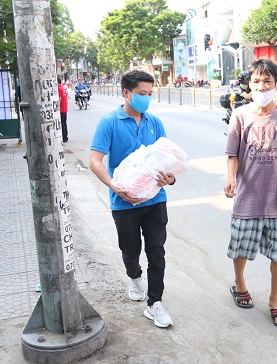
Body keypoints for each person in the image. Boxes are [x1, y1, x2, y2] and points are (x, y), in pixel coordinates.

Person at [89, 70, 176, 329]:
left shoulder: (155, 123)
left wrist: (169, 179)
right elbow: (95, 161)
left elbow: (166, 161)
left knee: (157, 252)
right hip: (124, 201)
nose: (146, 99)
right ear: (126, 93)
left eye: (150, 94)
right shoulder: (109, 122)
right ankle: (134, 276)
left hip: (155, 200)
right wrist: (114, 186)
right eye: (141, 94)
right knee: (130, 250)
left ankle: (155, 303)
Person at [224, 58, 277, 327]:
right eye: (256, 81)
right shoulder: (240, 115)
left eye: (267, 81)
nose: (262, 85)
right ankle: (239, 283)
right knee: (240, 248)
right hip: (247, 197)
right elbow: (232, 153)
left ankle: (274, 299)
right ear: (250, 84)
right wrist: (231, 178)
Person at [57, 77, 69, 143]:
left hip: (61, 108)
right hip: (64, 108)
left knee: (62, 123)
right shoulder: (62, 88)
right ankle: (65, 136)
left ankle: (64, 137)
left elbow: (60, 99)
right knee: (64, 123)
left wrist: (57, 108)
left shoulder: (59, 89)